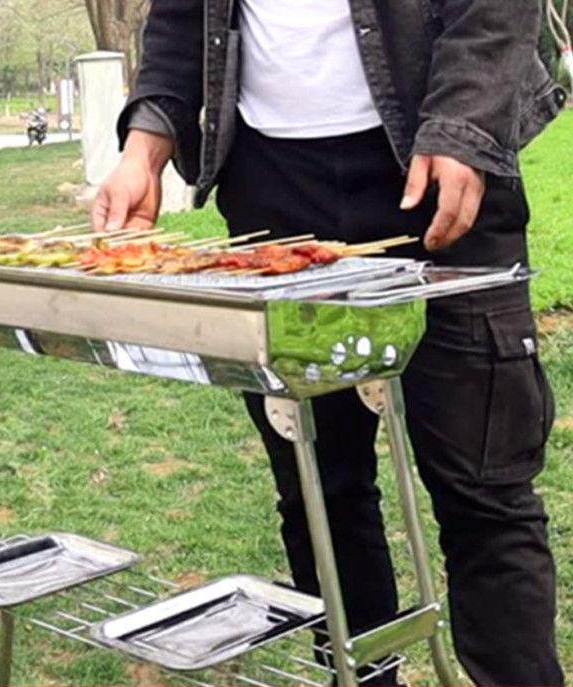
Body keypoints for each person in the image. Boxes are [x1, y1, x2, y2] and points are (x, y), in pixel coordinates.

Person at [92, 1, 567, 685]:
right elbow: (180, 18)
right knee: (320, 494)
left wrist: (465, 125)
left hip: (439, 163)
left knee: (484, 491)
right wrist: (143, 150)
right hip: (271, 191)